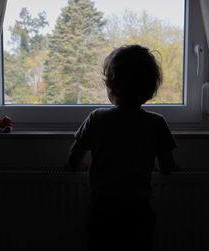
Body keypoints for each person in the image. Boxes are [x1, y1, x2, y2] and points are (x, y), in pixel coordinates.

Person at [66, 44, 180, 251]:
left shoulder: (97, 118)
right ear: (150, 89)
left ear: (111, 85)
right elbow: (167, 165)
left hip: (103, 210)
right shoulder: (156, 123)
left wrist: (80, 166)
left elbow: (73, 159)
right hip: (138, 211)